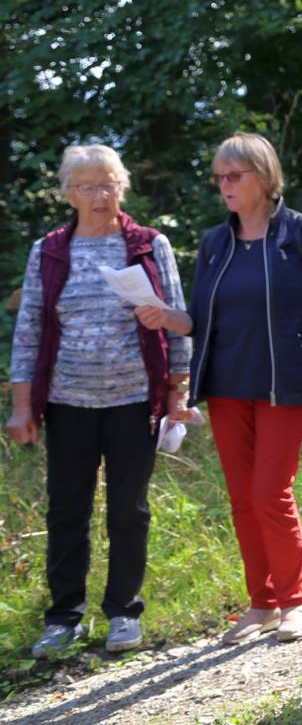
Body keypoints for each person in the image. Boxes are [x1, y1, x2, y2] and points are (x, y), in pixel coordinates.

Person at [134, 133, 302, 644]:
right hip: (225, 384)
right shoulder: (215, 242)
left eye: (234, 175)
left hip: (285, 384)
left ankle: (295, 601)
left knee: (270, 493)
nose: (224, 185)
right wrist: (164, 316)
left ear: (264, 177)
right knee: (242, 498)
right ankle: (262, 602)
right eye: (219, 176)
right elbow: (199, 319)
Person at [5, 144, 192, 658]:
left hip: (135, 400)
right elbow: (29, 330)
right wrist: (22, 407)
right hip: (67, 402)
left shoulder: (150, 245)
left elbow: (177, 322)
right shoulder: (50, 250)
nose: (100, 195)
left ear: (122, 188)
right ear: (68, 194)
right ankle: (63, 619)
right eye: (87, 186)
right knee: (67, 510)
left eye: (109, 183)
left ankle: (123, 614)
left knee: (129, 511)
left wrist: (178, 391)